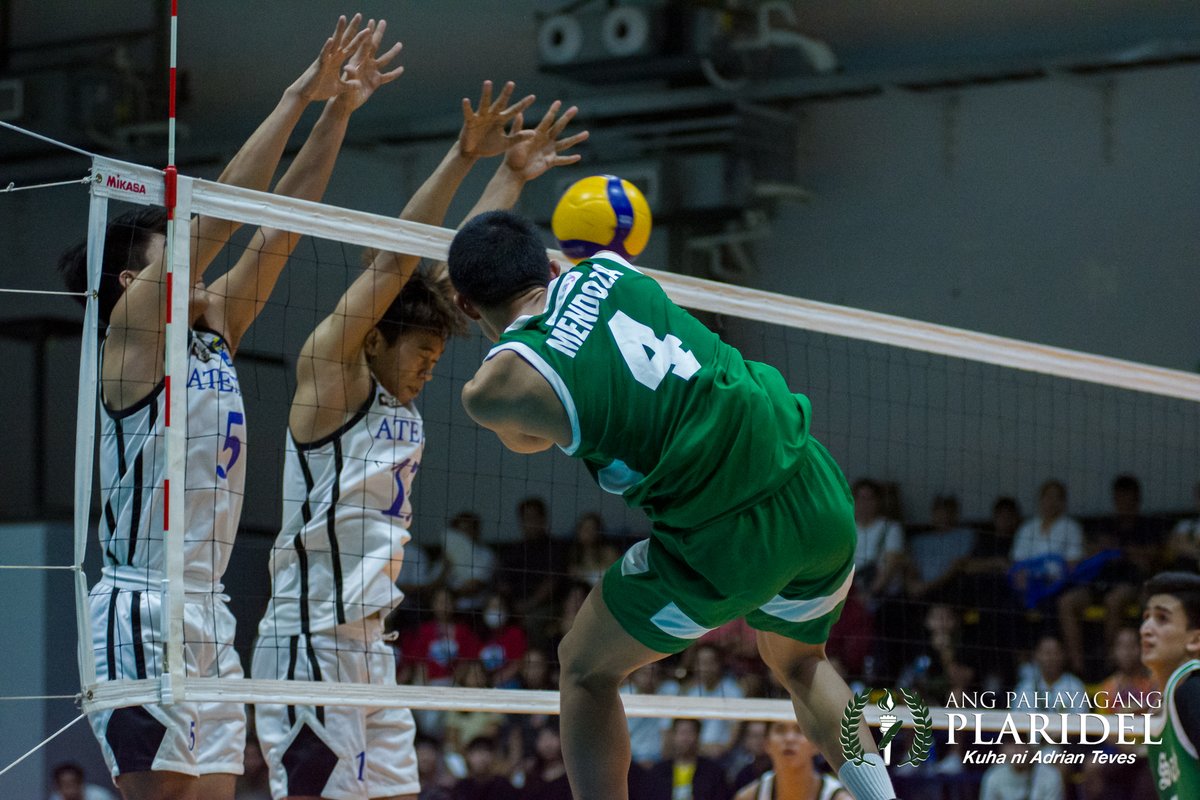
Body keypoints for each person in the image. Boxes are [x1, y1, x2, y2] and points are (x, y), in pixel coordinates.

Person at [446, 213, 897, 800]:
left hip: (725, 538)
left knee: (585, 669)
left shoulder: (495, 389)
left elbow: (528, 438)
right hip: (815, 491)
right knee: (804, 664)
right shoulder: (609, 267)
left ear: (464, 305)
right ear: (551, 265)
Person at [56, 15, 390, 800]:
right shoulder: (131, 339)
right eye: (174, 262)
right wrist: (292, 96)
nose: (203, 276)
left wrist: (337, 112)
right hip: (140, 607)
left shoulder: (214, 334)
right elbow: (219, 215)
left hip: (211, 609)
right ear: (131, 287)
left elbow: (282, 225)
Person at [251, 79, 585, 799]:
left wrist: (513, 174)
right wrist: (464, 156)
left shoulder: (399, 379)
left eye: (439, 357)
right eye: (422, 354)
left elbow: (452, 270)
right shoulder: (333, 376)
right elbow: (394, 262)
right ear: (374, 340)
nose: (433, 367)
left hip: (373, 643)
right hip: (312, 634)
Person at [1140, 571, 1200, 799]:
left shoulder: (1192, 692)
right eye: (1146, 617)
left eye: (1162, 618)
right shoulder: (1167, 703)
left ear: (1195, 640)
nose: (1145, 629)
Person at [733, 721, 849, 800]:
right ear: (766, 743)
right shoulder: (748, 797)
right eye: (780, 730)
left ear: (815, 745)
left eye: (799, 730)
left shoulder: (839, 798)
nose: (789, 739)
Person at [632, 717, 730, 800]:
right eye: (681, 732)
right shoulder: (657, 772)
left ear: (698, 735)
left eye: (689, 732)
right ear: (673, 735)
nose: (685, 738)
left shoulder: (714, 773)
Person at [49, 762, 118, 800]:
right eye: (65, 785)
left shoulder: (99, 796)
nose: (70, 789)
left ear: (81, 783)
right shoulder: (56, 798)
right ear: (57, 787)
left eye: (73, 783)